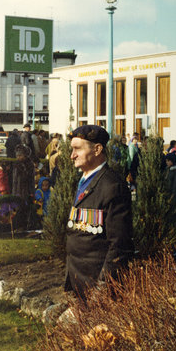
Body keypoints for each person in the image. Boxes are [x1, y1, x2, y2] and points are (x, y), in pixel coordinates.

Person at [65, 125, 134, 300]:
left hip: (96, 285)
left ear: (97, 149)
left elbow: (119, 245)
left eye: (77, 149)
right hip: (79, 279)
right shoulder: (85, 180)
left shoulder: (112, 186)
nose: (72, 155)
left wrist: (103, 288)